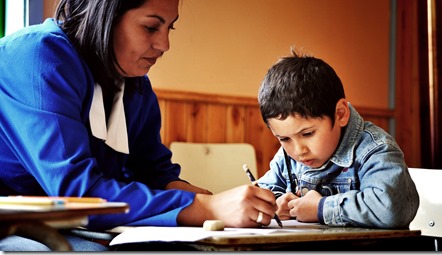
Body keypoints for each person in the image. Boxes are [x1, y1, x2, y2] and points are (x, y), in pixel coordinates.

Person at [0, 0, 277, 251]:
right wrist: (204, 208)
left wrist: (213, 199)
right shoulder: (38, 56)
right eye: (150, 27)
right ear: (105, 14)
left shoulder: (135, 86)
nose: (165, 44)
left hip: (71, 223)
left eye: (170, 28)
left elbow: (154, 170)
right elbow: (75, 192)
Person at [256, 48, 419, 229]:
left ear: (340, 114)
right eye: (284, 139)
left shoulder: (375, 149)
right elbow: (263, 192)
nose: (298, 150)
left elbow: (390, 209)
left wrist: (321, 208)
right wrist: (274, 204)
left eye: (308, 134)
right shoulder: (287, 157)